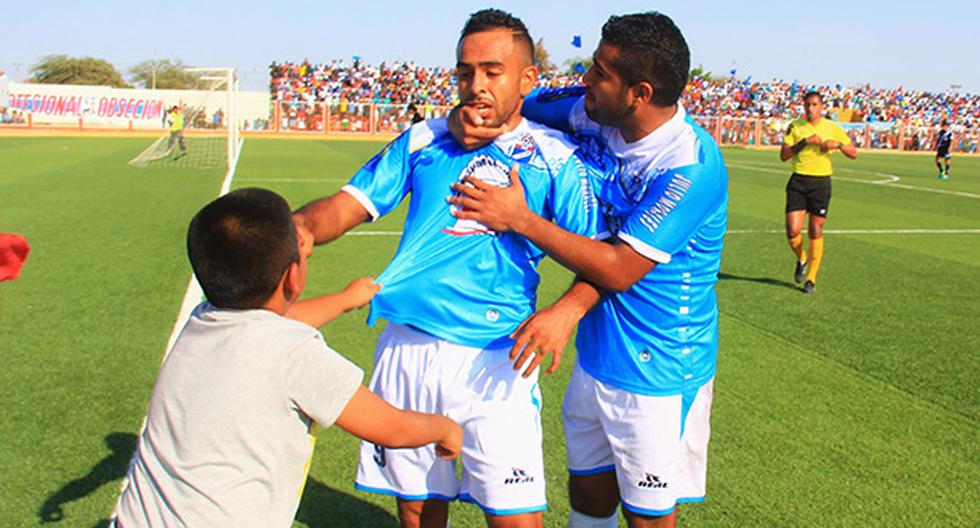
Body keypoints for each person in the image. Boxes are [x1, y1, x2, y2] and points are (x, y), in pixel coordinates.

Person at [293, 9, 601, 528]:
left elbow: (598, 256)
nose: (475, 86)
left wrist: (566, 310)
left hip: (498, 358)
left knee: (516, 518)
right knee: (416, 512)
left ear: (527, 79)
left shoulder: (556, 160)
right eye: (465, 72)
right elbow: (345, 207)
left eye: (492, 71)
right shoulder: (423, 140)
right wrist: (296, 228)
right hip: (408, 350)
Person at [447, 12, 727, 528]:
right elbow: (507, 103)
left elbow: (621, 267)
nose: (586, 81)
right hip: (596, 354)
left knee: (648, 516)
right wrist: (464, 117)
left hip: (658, 370)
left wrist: (521, 219)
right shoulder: (590, 112)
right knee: (590, 497)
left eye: (600, 72)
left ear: (639, 93)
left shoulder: (689, 167)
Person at [111, 188, 462, 527]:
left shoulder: (202, 319)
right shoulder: (295, 354)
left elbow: (272, 323)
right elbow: (391, 427)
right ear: (293, 277)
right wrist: (444, 429)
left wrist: (343, 299)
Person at [780, 91, 857, 293]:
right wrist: (806, 142)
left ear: (822, 107)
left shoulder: (832, 128)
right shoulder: (795, 126)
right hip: (798, 180)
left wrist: (838, 145)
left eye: (814, 105)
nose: (810, 108)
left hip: (821, 183)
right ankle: (802, 258)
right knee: (792, 230)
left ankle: (811, 280)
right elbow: (784, 155)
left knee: (815, 229)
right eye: (807, 105)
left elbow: (853, 153)